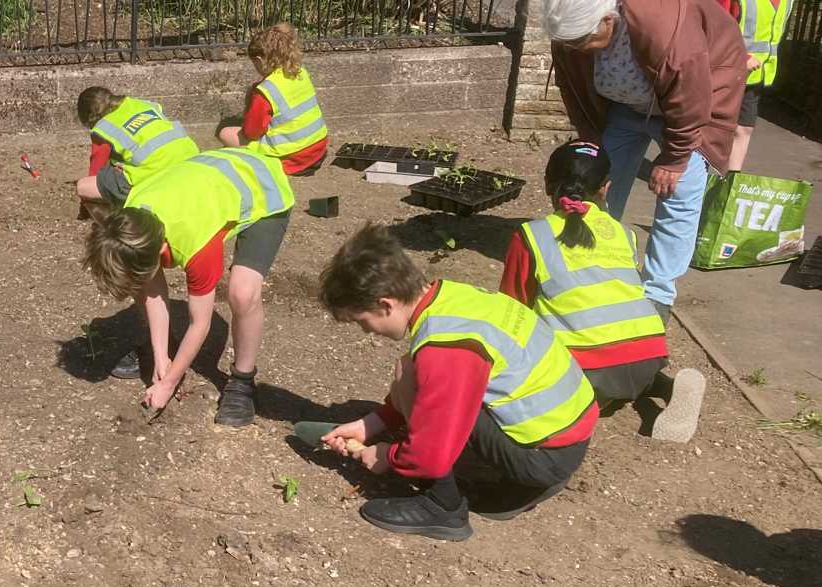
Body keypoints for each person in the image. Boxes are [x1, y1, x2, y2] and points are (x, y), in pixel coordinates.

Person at [317, 224, 597, 541]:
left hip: (545, 455)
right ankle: (515, 486)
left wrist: (387, 456)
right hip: (566, 434)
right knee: (412, 372)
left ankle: (442, 507)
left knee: (413, 380)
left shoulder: (445, 348)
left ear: (386, 304)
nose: (366, 332)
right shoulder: (450, 298)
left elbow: (429, 453)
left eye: (361, 321)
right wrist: (372, 424)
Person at [545, 0, 747, 320]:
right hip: (626, 106)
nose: (577, 50)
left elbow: (691, 94)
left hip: (692, 105)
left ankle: (657, 292)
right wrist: (590, 134)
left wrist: (675, 158)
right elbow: (572, 87)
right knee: (600, 181)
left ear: (609, 20)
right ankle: (597, 260)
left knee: (678, 193)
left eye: (583, 41)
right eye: (569, 43)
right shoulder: (572, 34)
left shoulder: (663, 27)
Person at [499, 141, 705, 440]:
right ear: (606, 188)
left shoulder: (532, 236)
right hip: (648, 354)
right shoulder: (624, 234)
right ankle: (665, 386)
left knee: (533, 380)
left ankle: (582, 401)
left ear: (547, 185)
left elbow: (512, 309)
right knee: (622, 363)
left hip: (589, 368)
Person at [83, 147, 294, 427]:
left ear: (161, 248)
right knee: (138, 278)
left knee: (243, 293)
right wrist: (162, 356)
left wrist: (168, 383)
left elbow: (200, 324)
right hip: (213, 174)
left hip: (264, 188)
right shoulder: (132, 220)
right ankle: (165, 348)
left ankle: (243, 381)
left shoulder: (196, 243)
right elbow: (151, 289)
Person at [217, 23, 329, 177]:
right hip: (318, 149)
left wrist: (250, 102)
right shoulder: (301, 73)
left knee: (225, 133)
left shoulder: (265, 91)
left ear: (258, 60)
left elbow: (251, 133)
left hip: (292, 159)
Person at [74, 87, 200, 220]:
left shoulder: (103, 127)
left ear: (88, 116)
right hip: (191, 160)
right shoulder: (141, 104)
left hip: (156, 172)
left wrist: (84, 207)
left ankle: (117, 223)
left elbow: (96, 171)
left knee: (83, 187)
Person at [728, 0, 797, 171]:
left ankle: (730, 182)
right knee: (709, 128)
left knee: (744, 129)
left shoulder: (787, 2)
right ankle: (693, 181)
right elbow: (716, 29)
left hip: (756, 76)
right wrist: (742, 57)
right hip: (726, 72)